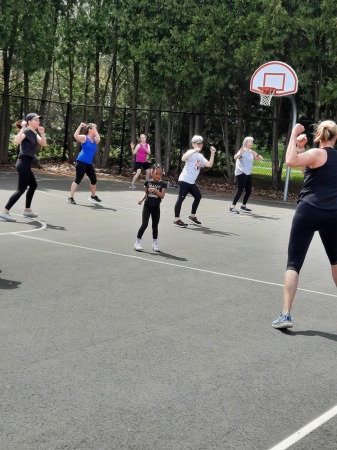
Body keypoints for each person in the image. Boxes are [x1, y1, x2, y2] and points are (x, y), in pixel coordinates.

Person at [272, 121, 337, 329]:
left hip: (308, 211)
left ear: (319, 136)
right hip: (332, 214)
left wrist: (292, 135)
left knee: (294, 264)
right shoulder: (323, 157)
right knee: (336, 263)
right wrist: (300, 148)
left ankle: (286, 314)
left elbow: (291, 161)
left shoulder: (317, 154)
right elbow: (308, 171)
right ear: (335, 137)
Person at [0, 113, 47, 222]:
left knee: (33, 185)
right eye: (36, 120)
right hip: (23, 163)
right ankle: (4, 212)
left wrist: (42, 133)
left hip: (26, 163)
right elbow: (16, 141)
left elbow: (43, 144)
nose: (38, 122)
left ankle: (27, 210)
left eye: (38, 120)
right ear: (29, 121)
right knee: (21, 189)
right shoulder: (26, 131)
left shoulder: (34, 133)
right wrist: (23, 128)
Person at [173, 135, 216, 227]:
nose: (200, 145)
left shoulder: (200, 156)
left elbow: (209, 164)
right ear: (193, 144)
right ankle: (177, 219)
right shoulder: (190, 152)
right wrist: (194, 150)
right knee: (181, 198)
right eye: (198, 143)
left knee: (198, 196)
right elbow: (183, 158)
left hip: (191, 182)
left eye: (201, 143)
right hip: (185, 179)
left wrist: (212, 154)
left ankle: (192, 216)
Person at [134, 164, 167, 252]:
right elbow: (146, 193)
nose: (158, 176)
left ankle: (155, 243)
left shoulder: (163, 184)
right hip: (147, 206)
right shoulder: (148, 182)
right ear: (152, 172)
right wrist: (141, 200)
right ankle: (137, 242)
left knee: (155, 225)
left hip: (156, 207)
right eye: (156, 173)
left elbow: (162, 196)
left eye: (160, 174)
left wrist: (155, 190)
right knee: (144, 224)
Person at [68, 123, 101, 205]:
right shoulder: (84, 138)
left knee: (94, 179)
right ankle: (70, 197)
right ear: (89, 129)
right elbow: (75, 136)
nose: (96, 129)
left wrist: (95, 129)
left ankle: (93, 196)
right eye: (94, 128)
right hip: (81, 161)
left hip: (89, 163)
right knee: (78, 179)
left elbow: (99, 139)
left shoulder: (94, 139)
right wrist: (80, 126)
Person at [229, 136, 264, 214]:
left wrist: (257, 155)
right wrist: (240, 153)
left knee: (248, 191)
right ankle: (232, 207)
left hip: (248, 173)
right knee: (240, 190)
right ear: (245, 143)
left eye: (252, 141)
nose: (251, 143)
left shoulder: (251, 151)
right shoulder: (243, 150)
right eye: (249, 141)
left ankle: (243, 206)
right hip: (241, 173)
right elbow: (235, 157)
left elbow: (261, 159)